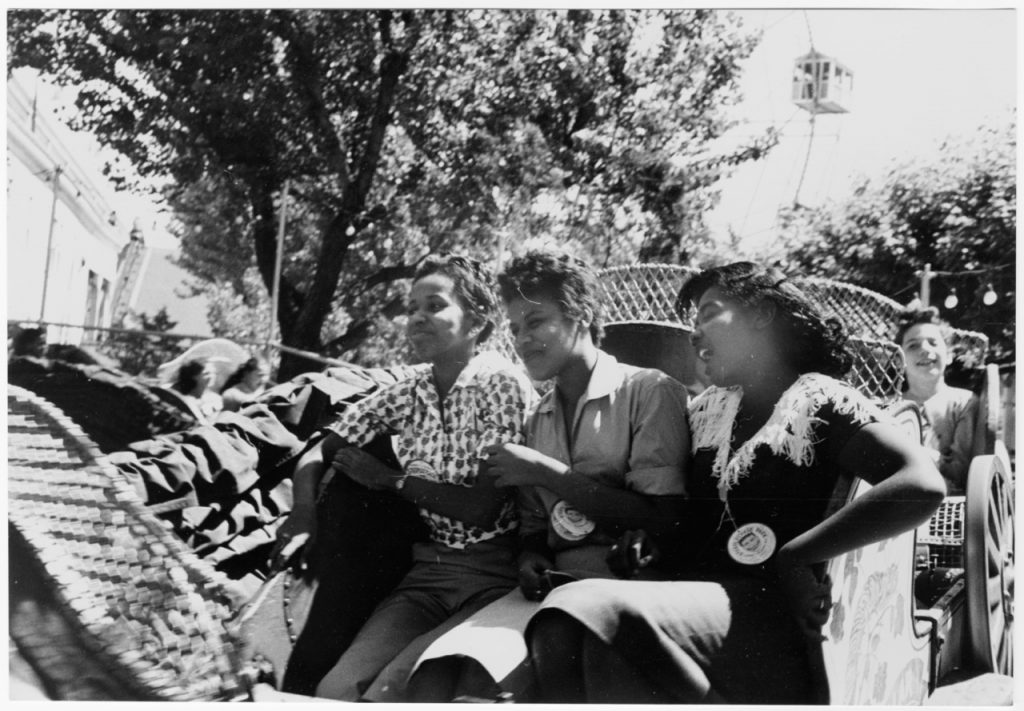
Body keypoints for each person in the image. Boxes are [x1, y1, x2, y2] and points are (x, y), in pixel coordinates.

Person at [522, 261, 945, 704]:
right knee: (569, 630)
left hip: (780, 621)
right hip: (708, 609)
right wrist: (651, 544)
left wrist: (796, 557)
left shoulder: (818, 400)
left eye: (708, 313)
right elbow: (697, 525)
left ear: (762, 315)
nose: (695, 333)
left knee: (585, 611)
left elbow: (920, 485)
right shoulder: (709, 412)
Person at [405, 250, 691, 702]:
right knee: (432, 681)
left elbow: (665, 518)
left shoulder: (648, 391)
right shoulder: (538, 416)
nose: (521, 340)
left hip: (622, 588)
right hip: (551, 588)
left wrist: (544, 471)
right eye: (515, 328)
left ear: (580, 314)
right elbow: (535, 526)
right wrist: (529, 556)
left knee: (481, 687)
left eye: (535, 322)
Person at [267, 254, 537, 701]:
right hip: (429, 573)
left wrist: (390, 481)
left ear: (477, 322)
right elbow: (319, 450)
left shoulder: (502, 384)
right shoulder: (407, 392)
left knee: (394, 688)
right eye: (411, 308)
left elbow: (482, 507)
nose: (416, 318)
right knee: (334, 688)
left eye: (434, 306)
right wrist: (302, 512)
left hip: (498, 577)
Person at [896, 306, 978, 494]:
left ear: (949, 355)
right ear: (900, 360)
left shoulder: (964, 402)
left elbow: (959, 471)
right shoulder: (891, 406)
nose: (924, 350)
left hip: (946, 500)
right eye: (913, 345)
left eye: (933, 342)